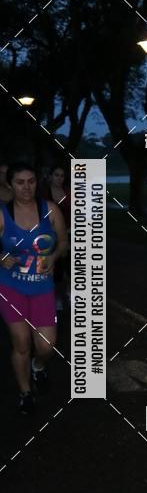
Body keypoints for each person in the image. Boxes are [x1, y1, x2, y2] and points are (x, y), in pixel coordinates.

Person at [0, 161, 67, 413]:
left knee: (46, 346)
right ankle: (25, 393)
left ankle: (38, 366)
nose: (26, 187)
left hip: (42, 289)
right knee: (21, 343)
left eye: (31, 181)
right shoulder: (3, 213)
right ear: (10, 184)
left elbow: (64, 241)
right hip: (10, 288)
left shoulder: (49, 210)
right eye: (20, 182)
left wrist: (54, 255)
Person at [42, 163, 71, 312]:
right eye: (56, 175)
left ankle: (70, 293)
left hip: (70, 232)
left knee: (72, 265)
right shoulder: (44, 193)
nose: (59, 178)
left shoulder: (69, 192)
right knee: (56, 266)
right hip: (51, 235)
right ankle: (56, 297)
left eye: (62, 176)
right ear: (50, 176)